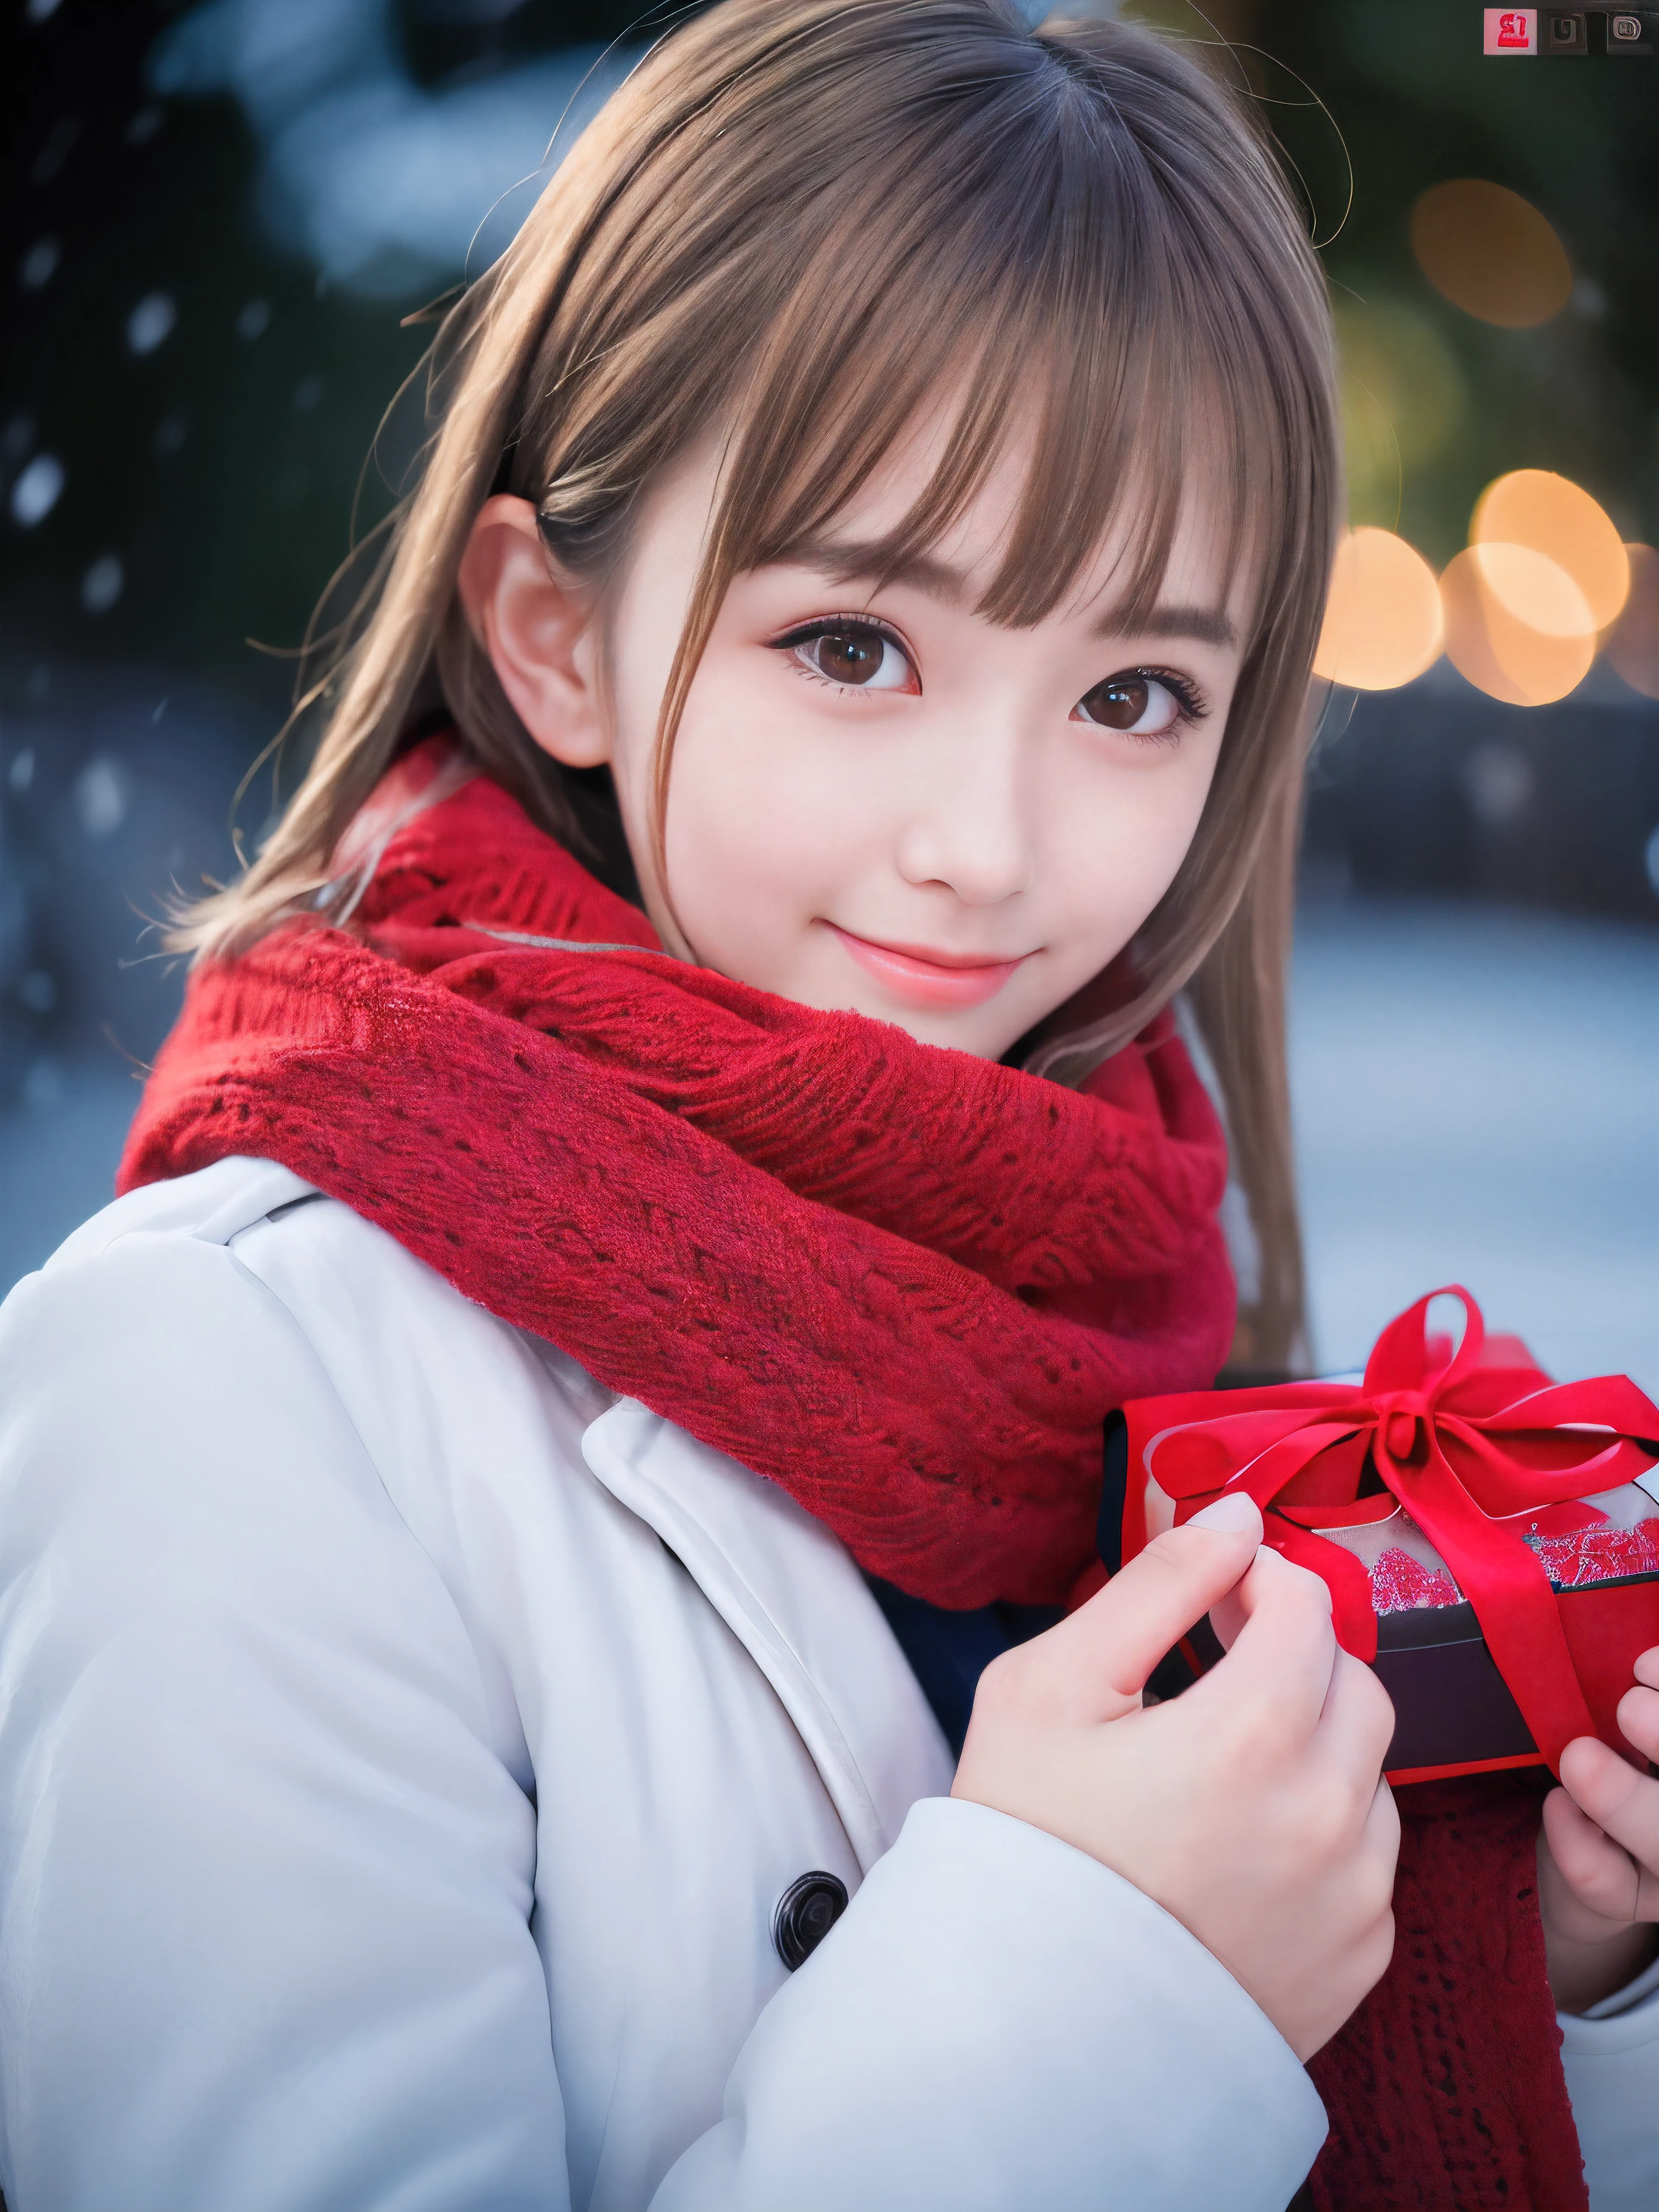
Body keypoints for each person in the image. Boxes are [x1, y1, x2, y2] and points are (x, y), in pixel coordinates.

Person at [0, 4, 1654, 2208]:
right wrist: (1106, 1975)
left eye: (1136, 691)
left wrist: (1522, 1952)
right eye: (857, 644)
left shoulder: (1136, 1287)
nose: (989, 839)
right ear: (550, 632)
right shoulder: (228, 1378)